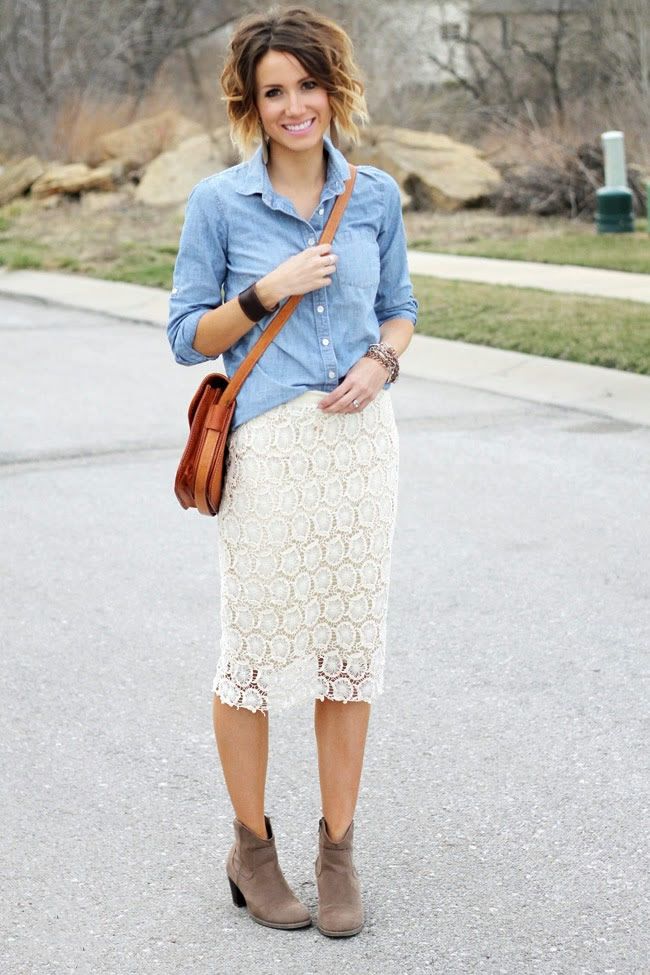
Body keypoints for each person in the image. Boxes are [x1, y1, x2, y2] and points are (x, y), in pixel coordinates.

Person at [167, 4, 417, 938]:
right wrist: (264, 290)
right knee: (255, 659)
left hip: (360, 453)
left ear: (333, 90)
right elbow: (186, 335)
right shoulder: (219, 203)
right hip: (269, 457)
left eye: (308, 85)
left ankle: (338, 850)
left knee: (348, 655)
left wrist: (382, 361)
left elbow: (402, 308)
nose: (294, 105)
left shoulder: (376, 196)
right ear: (251, 103)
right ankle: (252, 848)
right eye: (274, 91)